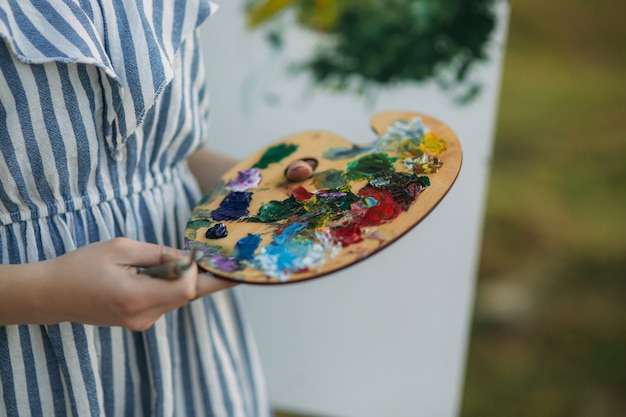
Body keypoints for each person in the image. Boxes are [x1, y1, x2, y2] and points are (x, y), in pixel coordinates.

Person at [0, 1, 312, 416]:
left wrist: (255, 187)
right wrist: (43, 292)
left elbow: (156, 156)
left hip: (190, 341)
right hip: (27, 364)